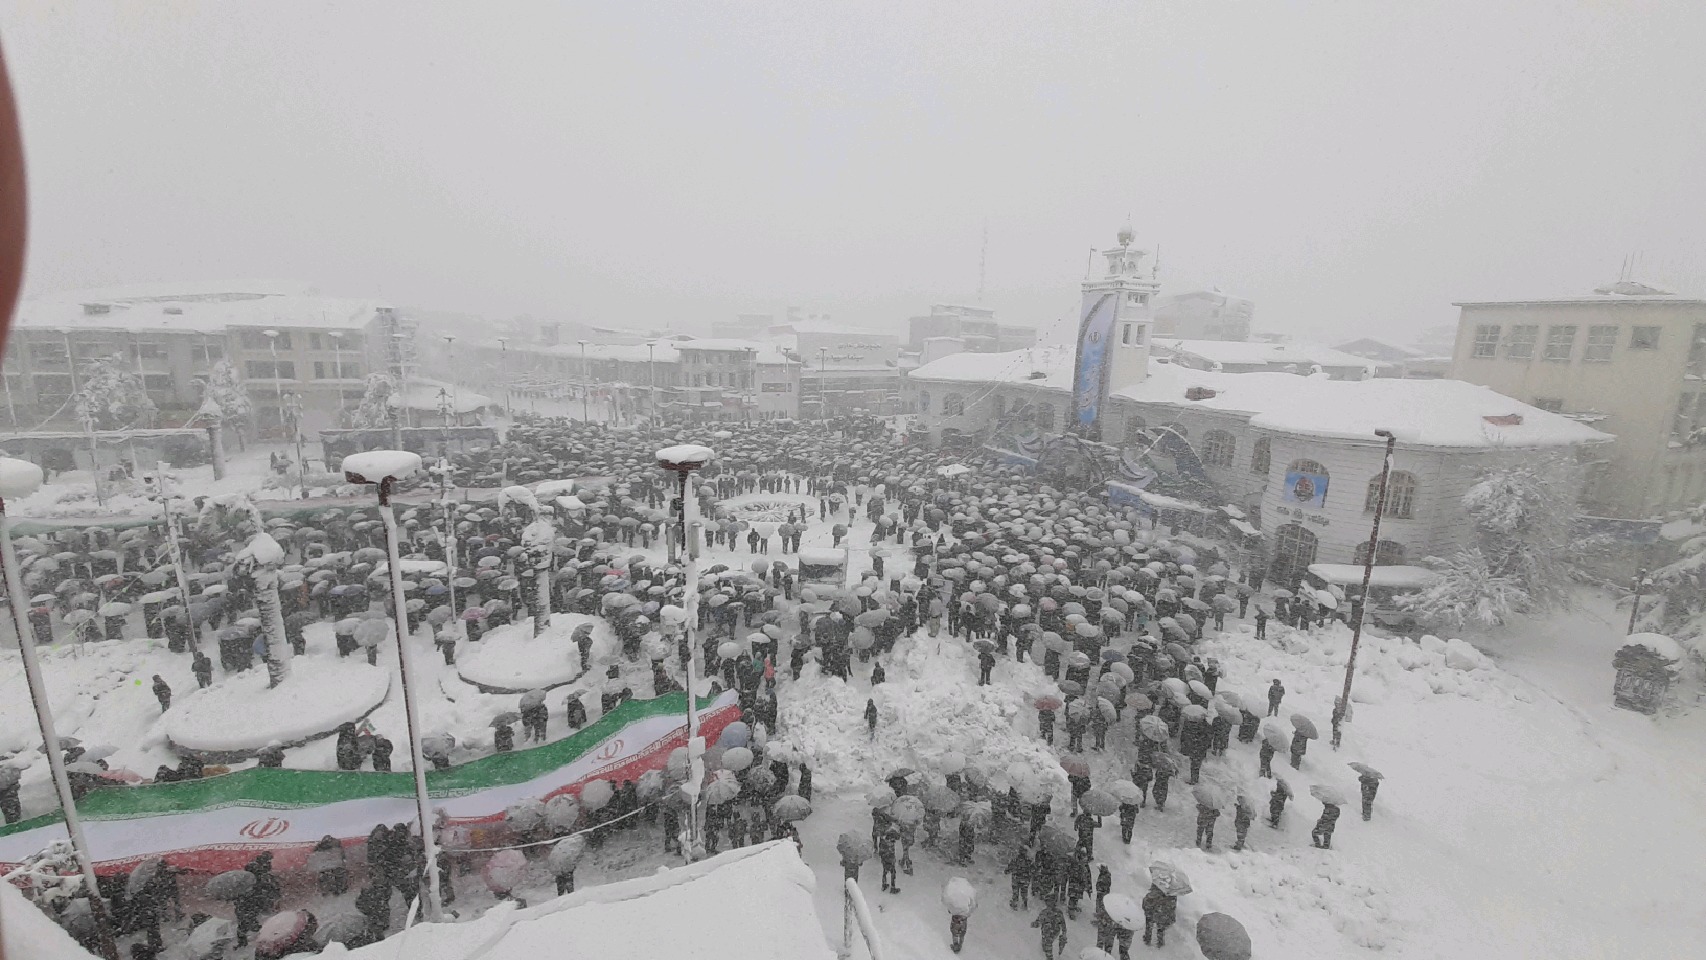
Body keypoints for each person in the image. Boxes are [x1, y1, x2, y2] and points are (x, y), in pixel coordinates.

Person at [1141, 883, 1176, 947]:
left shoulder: (1153, 893)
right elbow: (1172, 907)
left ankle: (1147, 939)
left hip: (1152, 912)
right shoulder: (1172, 894)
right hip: (1163, 914)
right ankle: (1160, 941)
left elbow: (1146, 903)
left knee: (1149, 925)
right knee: (1161, 928)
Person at [877, 825, 900, 893]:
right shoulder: (891, 843)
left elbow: (880, 850)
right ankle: (893, 887)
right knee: (893, 872)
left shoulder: (883, 841)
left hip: (884, 859)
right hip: (890, 859)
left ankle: (884, 884)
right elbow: (892, 852)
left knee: (885, 871)